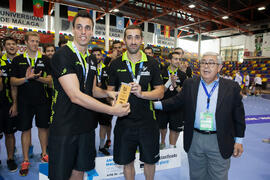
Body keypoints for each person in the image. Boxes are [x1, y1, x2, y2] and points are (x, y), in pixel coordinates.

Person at [48, 10, 130, 180]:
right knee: (61, 176)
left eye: (87, 28)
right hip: (65, 127)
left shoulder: (91, 59)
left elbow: (91, 90)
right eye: (79, 27)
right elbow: (75, 96)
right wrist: (112, 110)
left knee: (80, 170)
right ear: (73, 30)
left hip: (86, 127)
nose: (83, 32)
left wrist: (108, 92)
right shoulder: (62, 56)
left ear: (92, 31)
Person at [155, 52, 246, 180]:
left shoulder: (231, 87)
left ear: (219, 67)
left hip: (219, 139)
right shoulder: (190, 84)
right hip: (194, 139)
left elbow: (239, 116)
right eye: (203, 62)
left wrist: (239, 141)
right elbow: (175, 101)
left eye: (211, 63)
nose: (206, 66)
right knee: (196, 176)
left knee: (218, 176)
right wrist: (152, 104)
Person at [107, 25, 164, 180]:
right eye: (129, 37)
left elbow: (160, 92)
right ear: (124, 40)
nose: (133, 41)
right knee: (127, 162)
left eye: (137, 37)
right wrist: (114, 101)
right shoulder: (116, 64)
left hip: (148, 122)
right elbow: (109, 92)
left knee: (150, 161)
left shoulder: (152, 63)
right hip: (124, 123)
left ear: (142, 40)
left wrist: (142, 94)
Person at [10, 32, 52, 176]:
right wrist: (26, 79)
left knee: (43, 128)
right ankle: (26, 160)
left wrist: (37, 79)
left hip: (42, 101)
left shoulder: (45, 59)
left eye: (37, 41)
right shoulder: (18, 60)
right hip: (24, 102)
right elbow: (13, 82)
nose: (35, 43)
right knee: (25, 130)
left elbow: (51, 81)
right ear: (26, 43)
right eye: (32, 41)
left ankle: (45, 154)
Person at [158, 52, 186, 149]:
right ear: (170, 60)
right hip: (164, 103)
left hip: (177, 105)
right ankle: (162, 142)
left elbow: (183, 92)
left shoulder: (182, 75)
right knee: (162, 126)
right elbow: (161, 91)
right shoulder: (162, 73)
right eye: (175, 59)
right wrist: (169, 81)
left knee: (175, 128)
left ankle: (172, 147)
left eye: (179, 59)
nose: (178, 61)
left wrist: (175, 85)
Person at [0, 37, 19, 172]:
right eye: (8, 44)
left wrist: (15, 104)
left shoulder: (21, 61)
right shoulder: (0, 62)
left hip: (13, 103)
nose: (11, 46)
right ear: (4, 47)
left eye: (13, 44)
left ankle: (10, 159)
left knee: (10, 133)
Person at [92, 47, 112, 156]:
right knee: (90, 125)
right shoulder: (88, 68)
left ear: (101, 56)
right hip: (91, 101)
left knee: (104, 125)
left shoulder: (107, 69)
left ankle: (101, 146)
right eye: (94, 55)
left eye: (98, 55)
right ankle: (90, 147)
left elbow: (110, 85)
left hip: (104, 101)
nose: (96, 57)